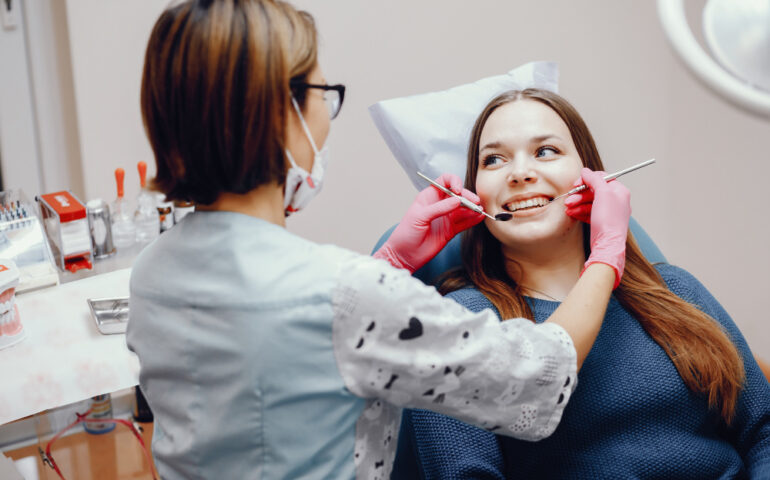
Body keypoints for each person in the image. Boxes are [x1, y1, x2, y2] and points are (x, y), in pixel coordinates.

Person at [125, 1, 633, 478]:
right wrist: (607, 255)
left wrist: (390, 264)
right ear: (281, 113)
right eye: (325, 96)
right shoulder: (344, 292)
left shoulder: (152, 271)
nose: (521, 174)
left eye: (545, 151)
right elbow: (534, 381)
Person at [392, 89, 770, 479]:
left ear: (591, 176)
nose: (520, 173)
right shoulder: (454, 324)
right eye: (494, 159)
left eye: (545, 152)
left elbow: (764, 430)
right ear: (474, 197)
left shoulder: (675, 290)